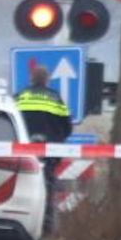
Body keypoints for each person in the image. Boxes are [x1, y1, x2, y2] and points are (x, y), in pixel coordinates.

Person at [15, 64, 73, 231]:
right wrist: (58, 141)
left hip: (23, 151)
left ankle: (22, 222)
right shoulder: (55, 98)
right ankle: (46, 226)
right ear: (47, 80)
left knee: (22, 184)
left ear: (31, 79)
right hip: (50, 151)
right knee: (47, 186)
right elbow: (67, 127)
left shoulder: (20, 97)